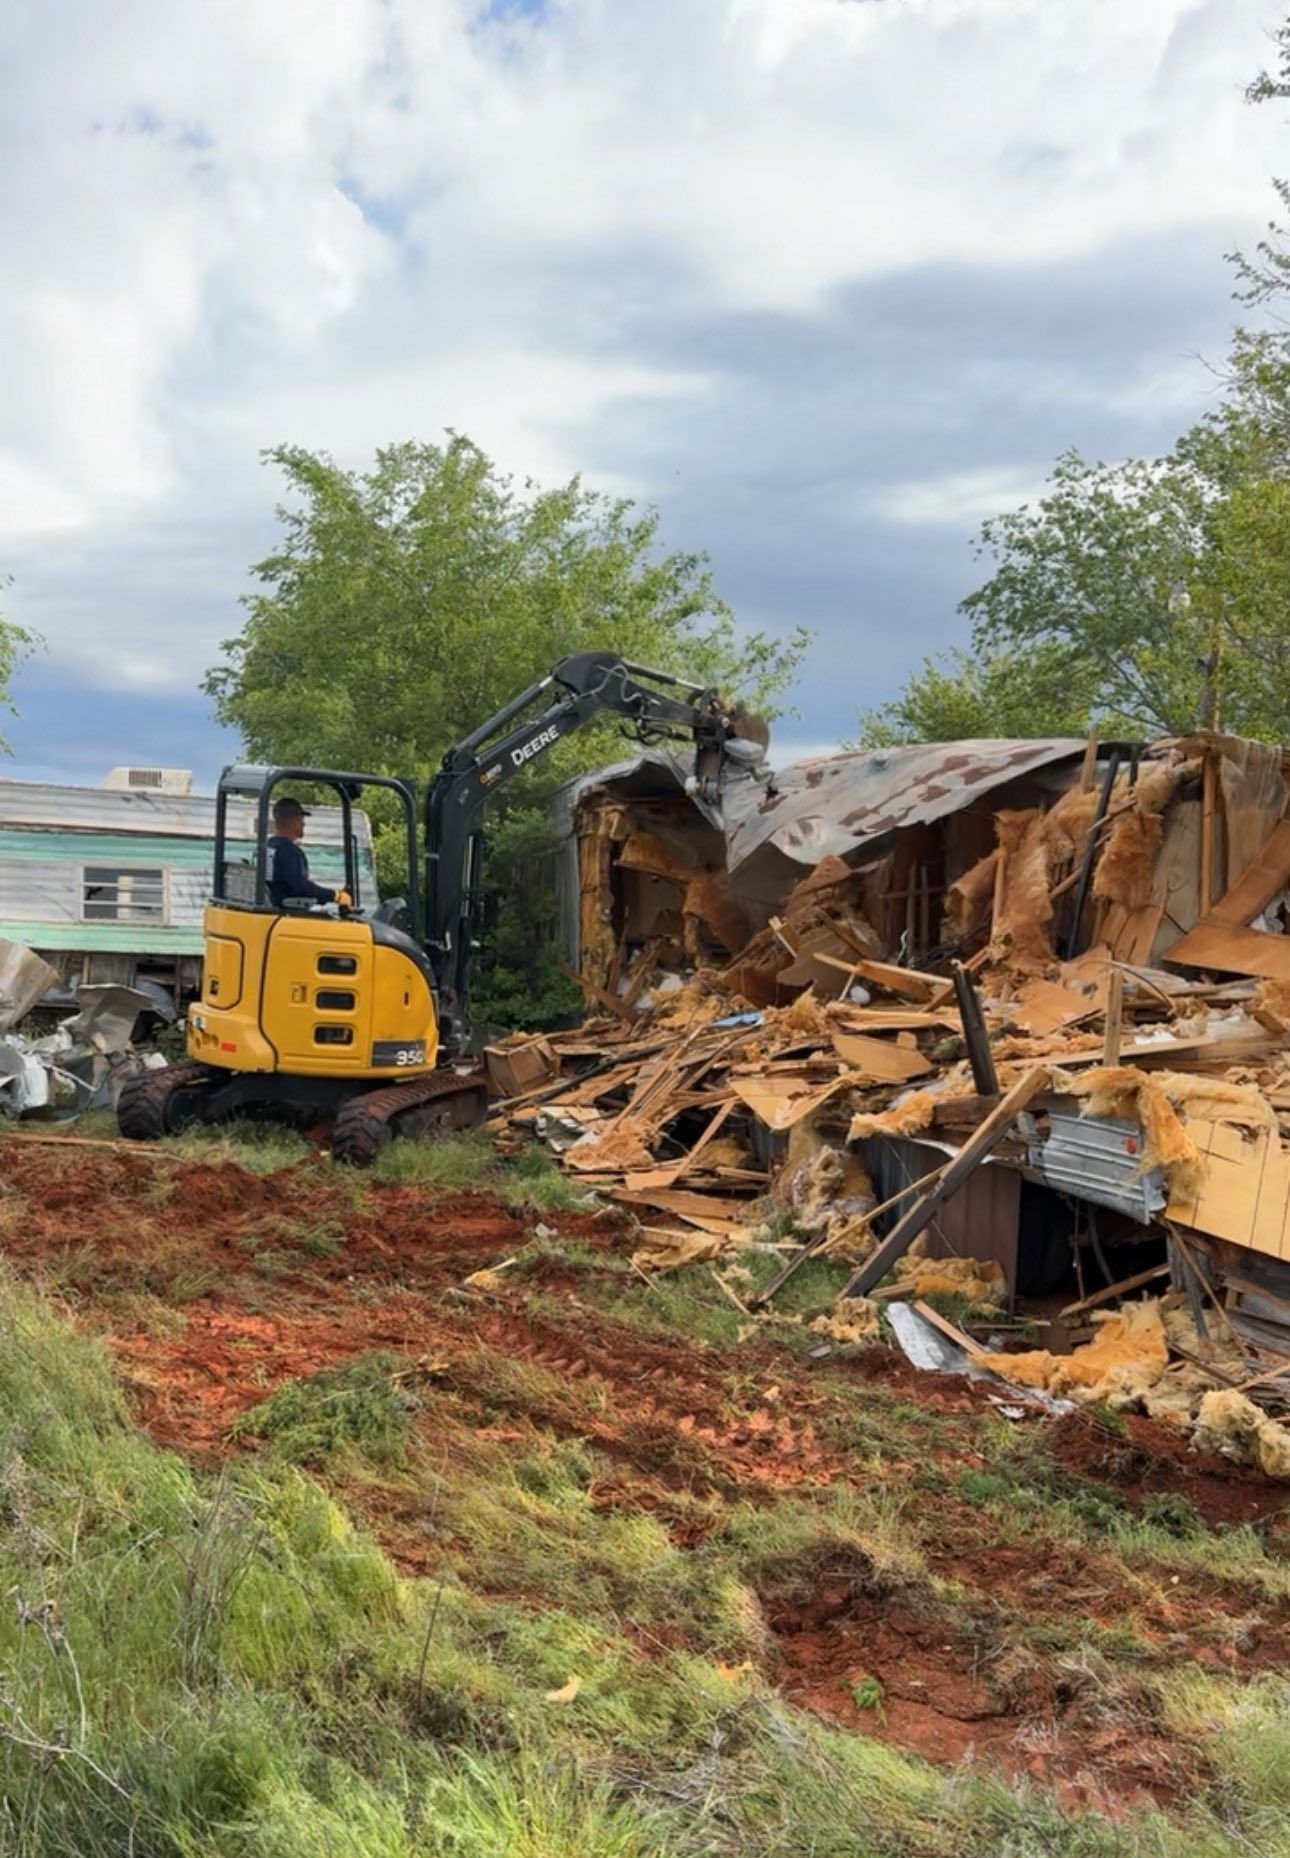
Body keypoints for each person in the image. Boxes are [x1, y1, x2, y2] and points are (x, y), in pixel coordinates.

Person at [266, 797, 349, 909]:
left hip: (272, 908)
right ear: (294, 822)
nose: (303, 824)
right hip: (288, 913)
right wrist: (335, 896)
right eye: (301, 820)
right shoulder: (289, 852)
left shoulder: (265, 848)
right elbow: (302, 888)